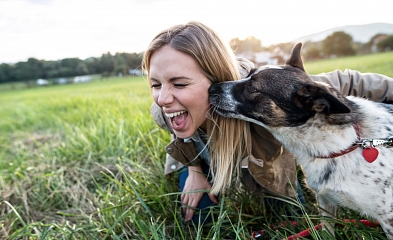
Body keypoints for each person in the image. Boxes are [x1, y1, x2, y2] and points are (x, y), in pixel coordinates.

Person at [142, 21, 393, 225]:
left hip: (263, 162)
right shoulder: (164, 111)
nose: (163, 98)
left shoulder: (266, 90)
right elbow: (182, 138)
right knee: (199, 219)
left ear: (215, 76)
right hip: (209, 156)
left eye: (180, 83)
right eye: (155, 84)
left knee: (287, 217)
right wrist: (194, 171)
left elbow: (346, 81)